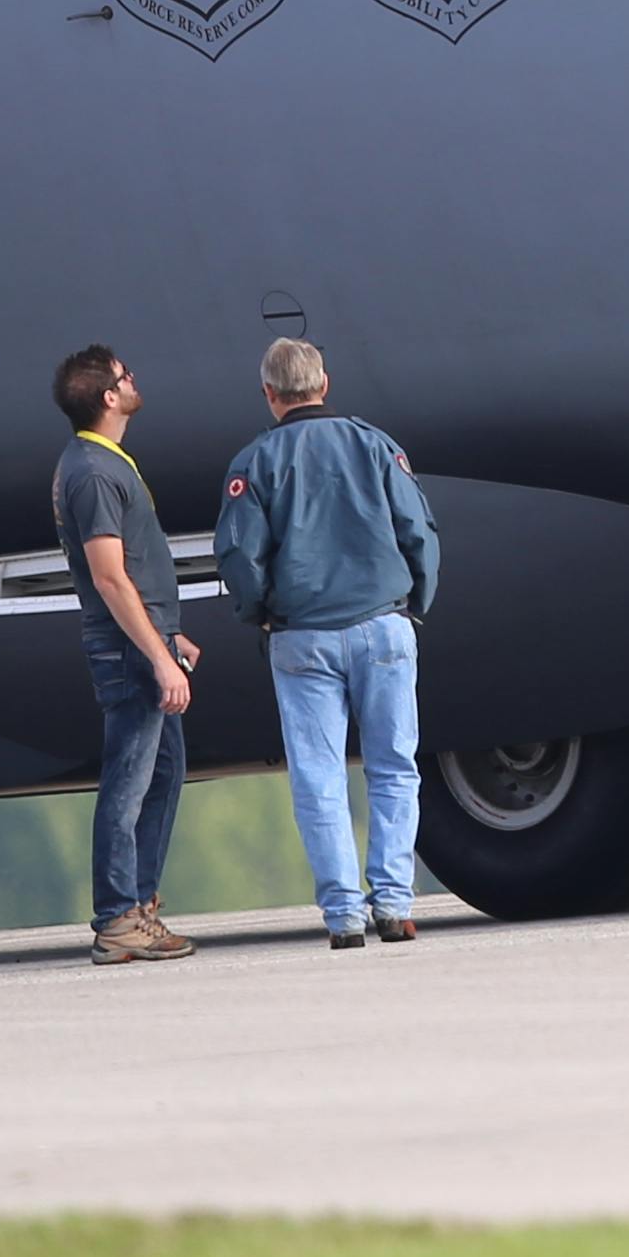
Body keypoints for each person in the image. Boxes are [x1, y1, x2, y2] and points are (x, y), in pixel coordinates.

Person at [219, 337, 444, 949]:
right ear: (325, 382)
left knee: (318, 775)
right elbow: (417, 528)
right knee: (394, 767)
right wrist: (414, 602)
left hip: (302, 638)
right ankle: (394, 904)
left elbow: (241, 553)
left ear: (270, 394)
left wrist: (259, 613)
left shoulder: (254, 462)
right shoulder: (376, 445)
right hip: (384, 626)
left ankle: (344, 916)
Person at [52, 344, 199, 967]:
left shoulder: (103, 463)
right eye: (124, 375)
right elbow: (110, 577)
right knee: (129, 781)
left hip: (144, 641)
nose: (133, 379)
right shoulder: (91, 472)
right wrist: (158, 658)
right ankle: (118, 915)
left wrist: (170, 635)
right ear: (108, 398)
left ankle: (137, 906)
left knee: (162, 773)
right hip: (127, 652)